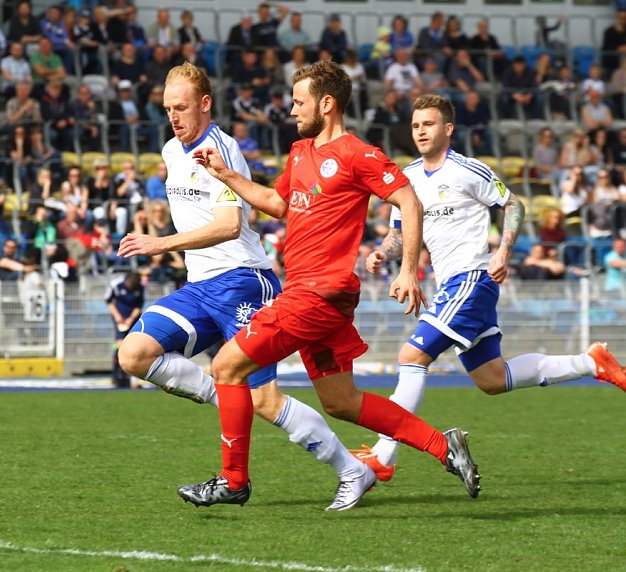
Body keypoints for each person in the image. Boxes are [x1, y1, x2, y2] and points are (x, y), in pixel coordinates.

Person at [119, 61, 473, 511]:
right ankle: (445, 447)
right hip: (304, 292)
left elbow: (408, 197)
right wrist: (226, 175)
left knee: (228, 367)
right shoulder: (301, 153)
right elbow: (276, 204)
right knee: (341, 401)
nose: (291, 109)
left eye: (299, 101)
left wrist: (408, 269)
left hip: (318, 293)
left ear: (326, 104)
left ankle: (234, 480)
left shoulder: (356, 153)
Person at [352, 94, 626, 481]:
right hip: (450, 284)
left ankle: (384, 455)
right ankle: (591, 362)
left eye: (428, 124)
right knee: (492, 379)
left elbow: (513, 205)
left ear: (448, 128)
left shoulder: (468, 170)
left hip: (471, 280)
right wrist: (383, 252)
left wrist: (503, 252)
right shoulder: (407, 179)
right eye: (415, 126)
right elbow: (401, 233)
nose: (420, 132)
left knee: (411, 357)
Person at [107, 272, 144, 389]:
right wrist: (118, 317)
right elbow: (109, 302)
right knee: (119, 346)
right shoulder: (116, 285)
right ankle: (116, 375)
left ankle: (133, 378)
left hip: (132, 320)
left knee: (135, 347)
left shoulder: (140, 288)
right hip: (119, 319)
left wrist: (130, 320)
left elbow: (138, 307)